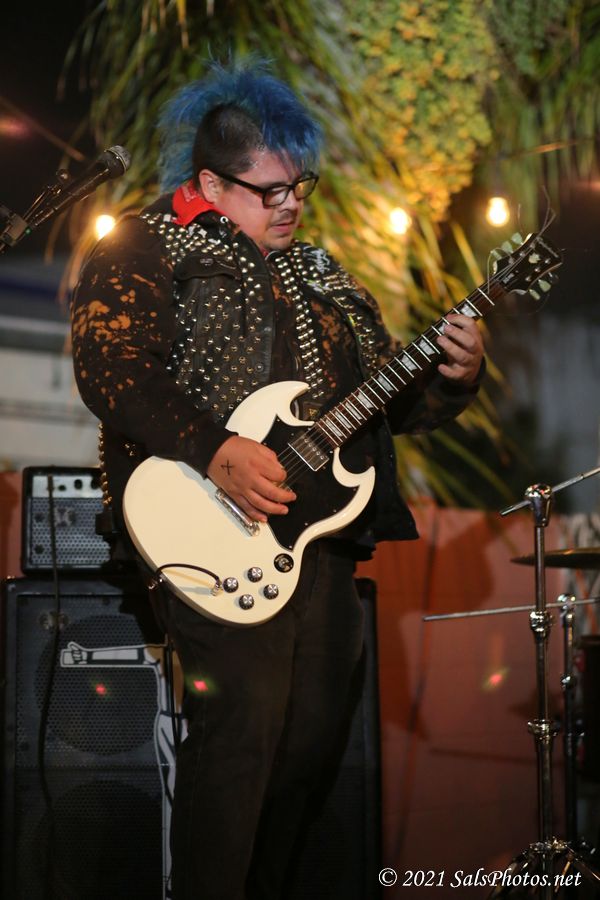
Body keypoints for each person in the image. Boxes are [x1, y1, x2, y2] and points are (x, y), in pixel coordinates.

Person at [70, 59, 484, 900]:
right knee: (242, 731)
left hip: (317, 538)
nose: (292, 204)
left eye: (302, 186)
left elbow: (387, 404)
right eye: (271, 191)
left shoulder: (323, 274)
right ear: (210, 183)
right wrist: (215, 448)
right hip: (204, 521)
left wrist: (454, 378)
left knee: (311, 747)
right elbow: (112, 369)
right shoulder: (147, 243)